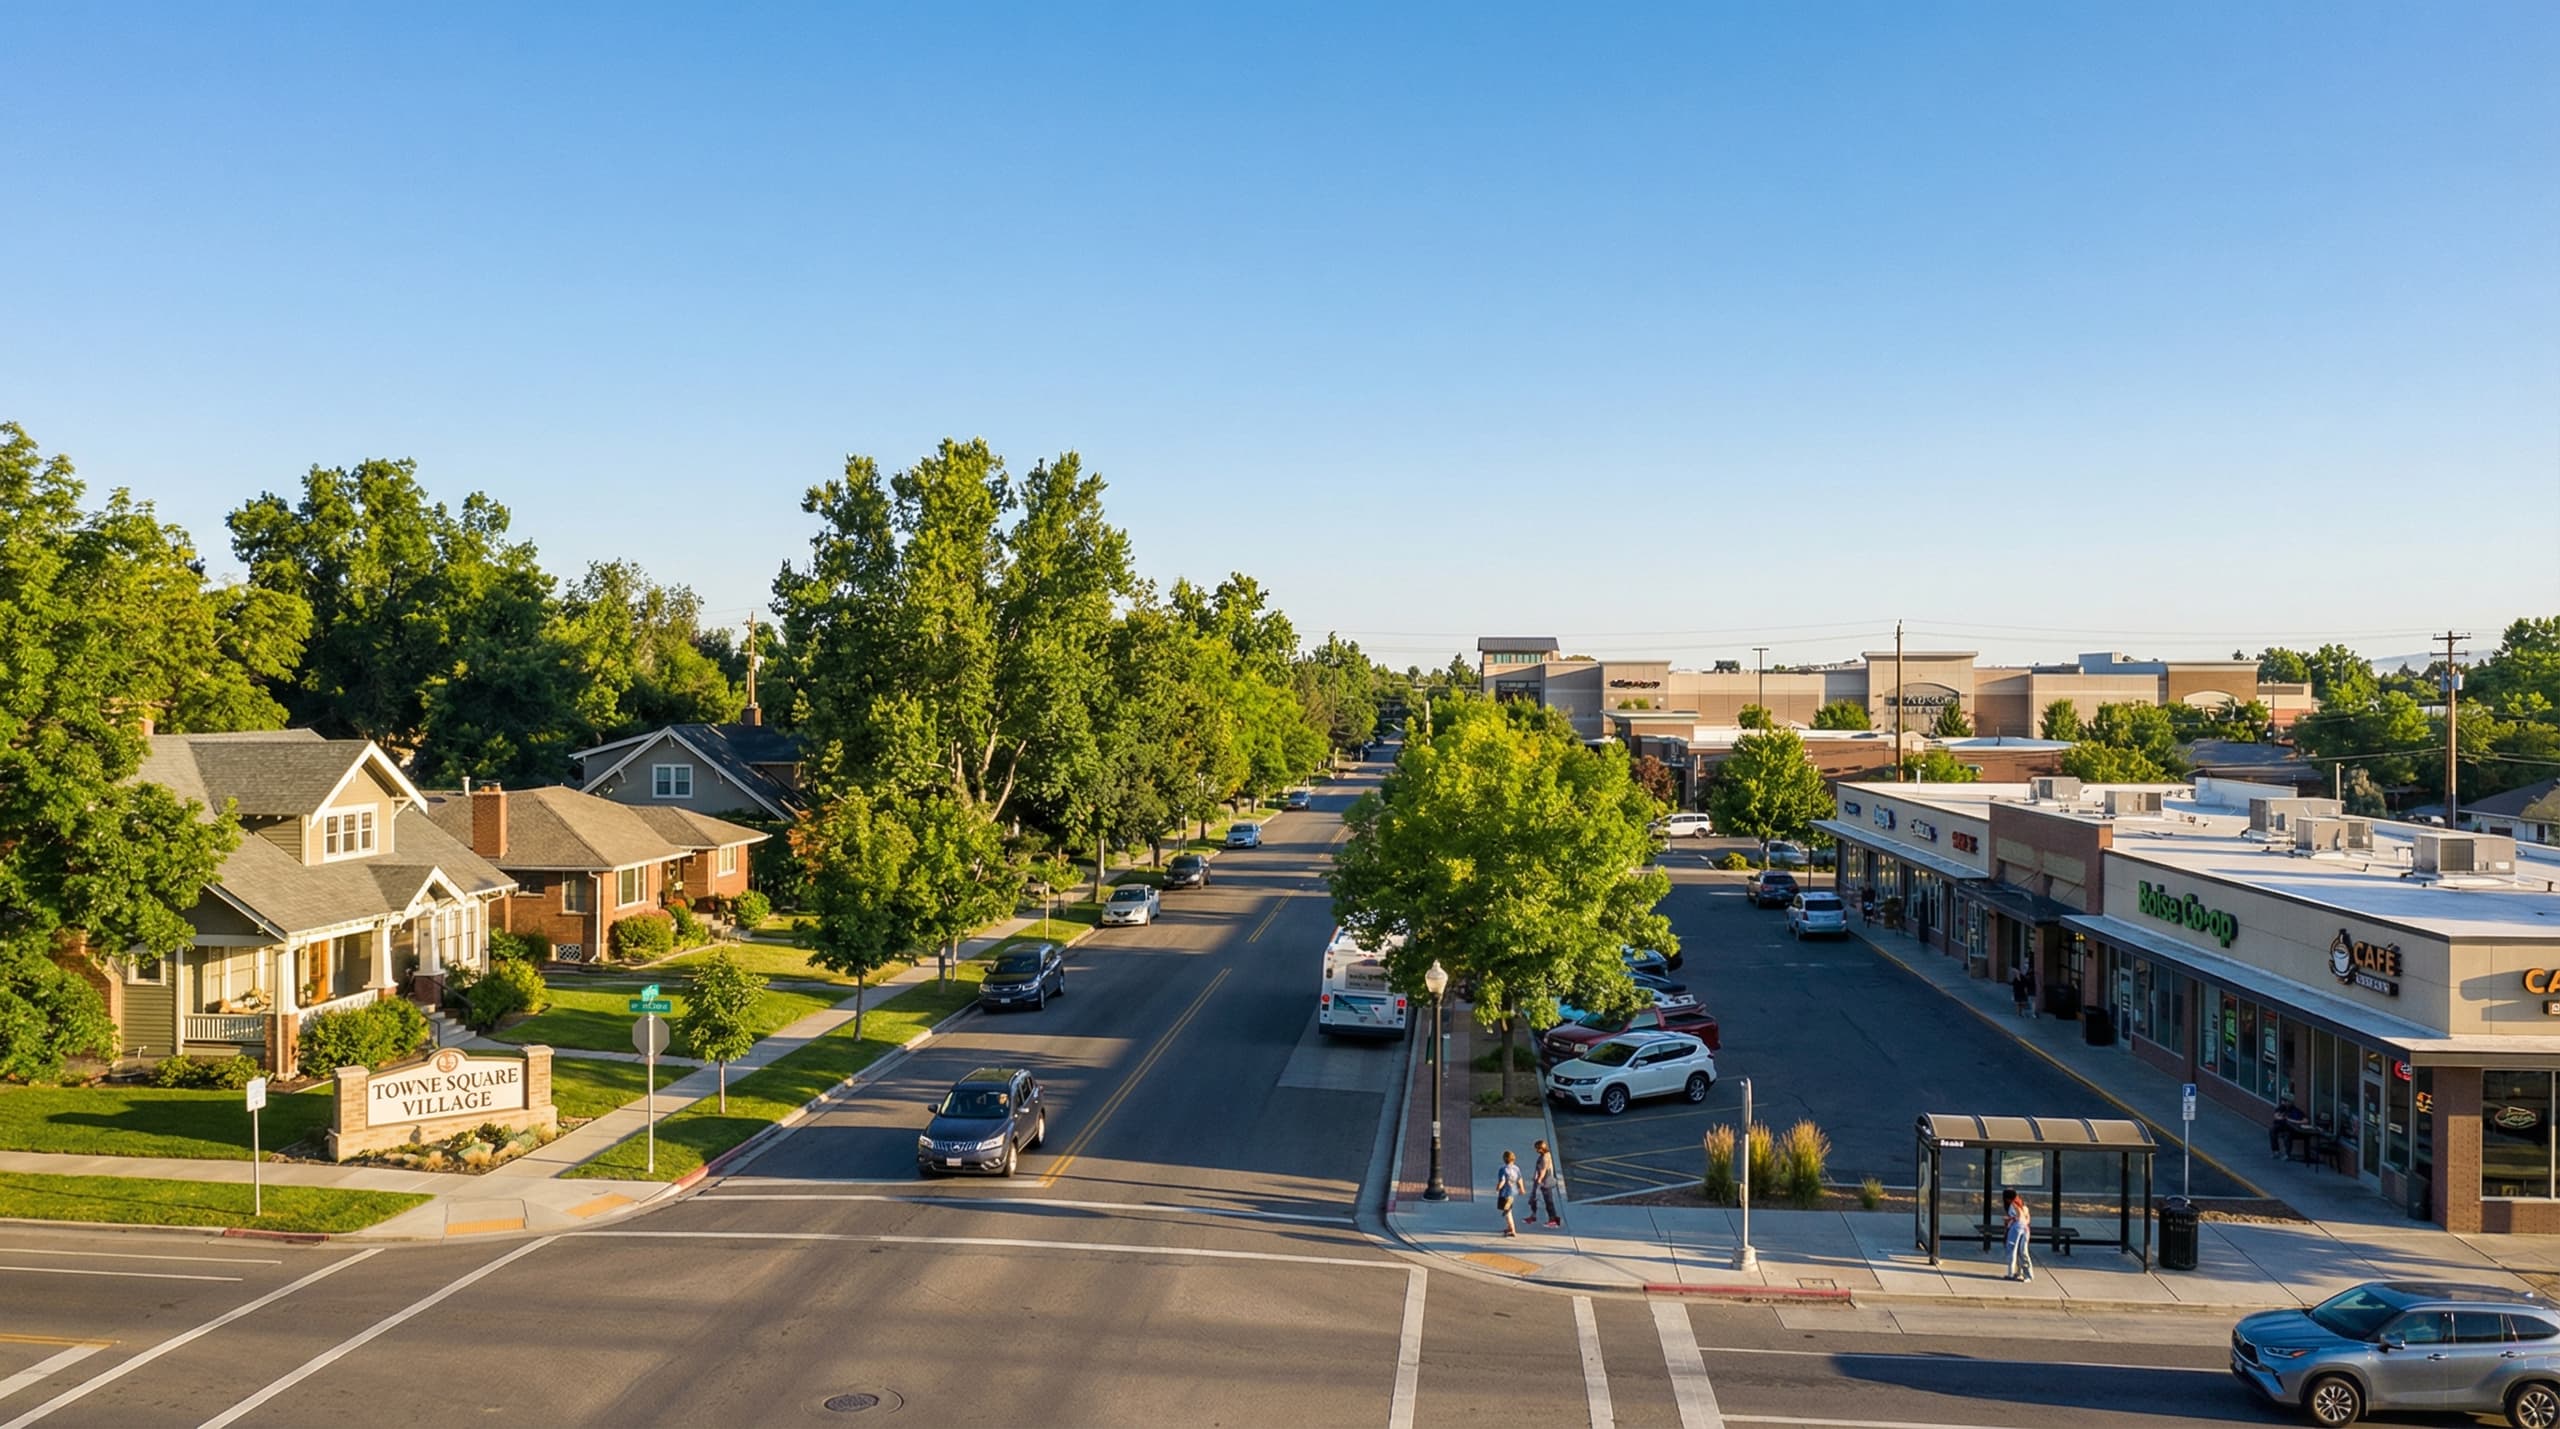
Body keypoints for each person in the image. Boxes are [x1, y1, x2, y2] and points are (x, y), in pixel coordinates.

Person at [1529, 1139, 1563, 1229]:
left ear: (1541, 1148)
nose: (1536, 1150)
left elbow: (1543, 1170)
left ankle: (1553, 1220)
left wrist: (1539, 1180)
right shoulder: (1547, 1155)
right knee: (1548, 1201)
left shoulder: (1544, 1157)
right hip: (1546, 1181)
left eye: (1537, 1148)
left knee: (1548, 1201)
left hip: (1545, 1182)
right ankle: (1554, 1219)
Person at [2004, 1188, 2034, 1282]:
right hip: (2025, 1229)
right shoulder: (2022, 1204)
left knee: (2013, 1250)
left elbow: (2018, 1216)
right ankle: (2023, 1274)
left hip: (2016, 1228)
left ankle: (2014, 1273)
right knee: (2022, 1251)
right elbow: (2027, 1218)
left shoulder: (2013, 1205)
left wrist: (2009, 1219)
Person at [1494, 1150, 1526, 1237]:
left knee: (1507, 1212)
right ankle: (1509, 1227)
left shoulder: (1503, 1169)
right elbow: (1520, 1179)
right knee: (1508, 1210)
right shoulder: (1516, 1168)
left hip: (1505, 1193)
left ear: (1504, 1159)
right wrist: (1522, 1188)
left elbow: (1502, 1181)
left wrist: (1498, 1188)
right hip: (1513, 1192)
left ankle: (1512, 1229)